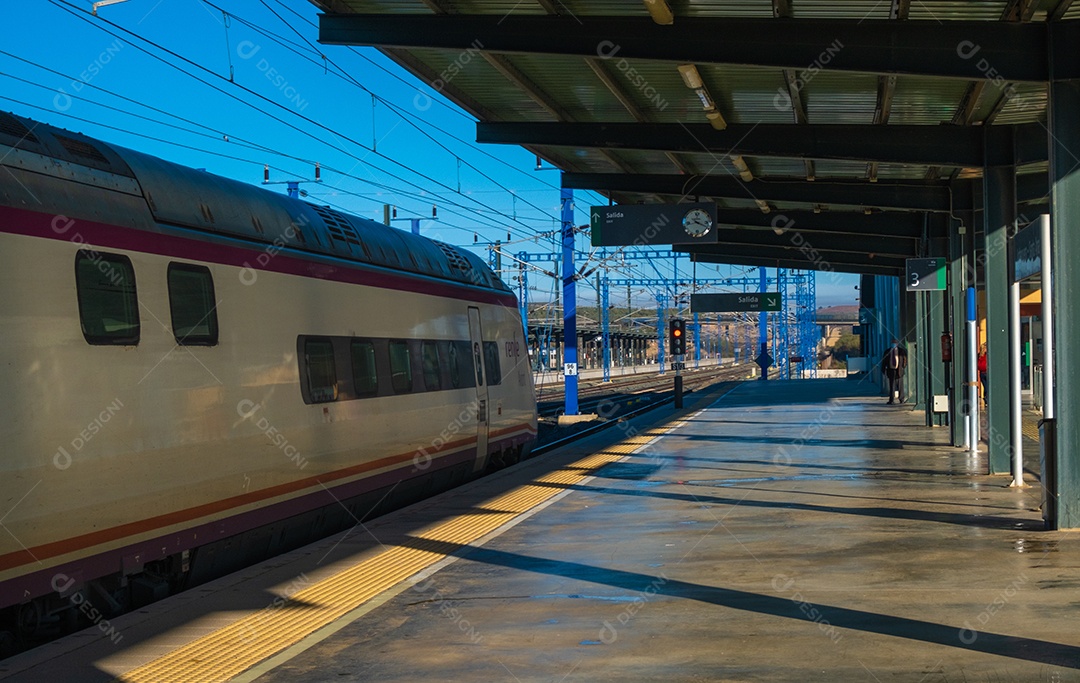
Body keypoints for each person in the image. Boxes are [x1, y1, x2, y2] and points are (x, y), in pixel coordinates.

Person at [881, 339, 908, 404]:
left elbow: (905, 359)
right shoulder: (887, 352)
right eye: (892, 343)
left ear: (897, 344)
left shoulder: (901, 351)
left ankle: (901, 399)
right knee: (892, 386)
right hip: (891, 370)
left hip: (899, 370)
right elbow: (884, 361)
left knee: (900, 386)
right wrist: (883, 369)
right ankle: (891, 400)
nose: (893, 344)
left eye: (895, 343)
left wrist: (903, 367)